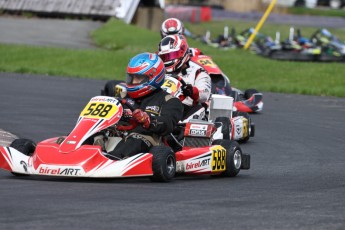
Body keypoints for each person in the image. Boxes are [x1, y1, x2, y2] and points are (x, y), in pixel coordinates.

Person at [106, 52, 184, 159]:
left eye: (138, 78)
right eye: (131, 78)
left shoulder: (170, 101)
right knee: (95, 135)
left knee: (136, 139)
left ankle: (112, 161)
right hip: (118, 135)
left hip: (149, 142)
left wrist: (148, 120)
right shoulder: (123, 96)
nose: (133, 81)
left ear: (152, 78)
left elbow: (167, 124)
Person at [157, 34, 211, 120]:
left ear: (182, 52)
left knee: (198, 109)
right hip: (159, 104)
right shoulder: (159, 71)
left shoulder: (198, 72)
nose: (168, 60)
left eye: (171, 56)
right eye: (165, 57)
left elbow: (205, 95)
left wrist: (192, 91)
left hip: (185, 109)